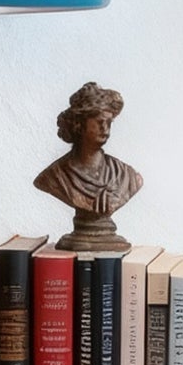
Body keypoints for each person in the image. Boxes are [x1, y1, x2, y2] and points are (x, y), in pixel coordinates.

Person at [34, 82, 142, 247]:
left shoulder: (127, 175)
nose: (105, 129)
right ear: (79, 123)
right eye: (99, 122)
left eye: (109, 123)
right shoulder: (55, 177)